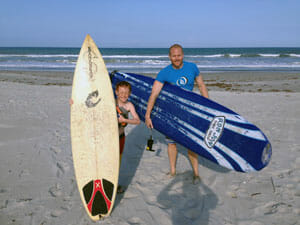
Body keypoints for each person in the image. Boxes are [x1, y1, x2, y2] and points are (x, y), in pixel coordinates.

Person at [145, 44, 209, 184]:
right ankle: (173, 170)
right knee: (171, 143)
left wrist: (208, 105)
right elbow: (154, 93)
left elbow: (201, 85)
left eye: (179, 55)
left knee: (190, 144)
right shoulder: (164, 73)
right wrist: (148, 114)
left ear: (183, 55)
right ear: (170, 57)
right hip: (171, 113)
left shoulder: (192, 67)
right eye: (174, 56)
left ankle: (196, 173)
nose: (177, 58)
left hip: (189, 111)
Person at [115, 81, 140, 193]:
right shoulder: (111, 102)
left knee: (117, 163)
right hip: (108, 139)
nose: (124, 95)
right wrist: (74, 103)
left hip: (120, 138)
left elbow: (137, 121)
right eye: (121, 92)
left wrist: (125, 120)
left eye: (126, 93)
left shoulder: (129, 105)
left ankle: (114, 184)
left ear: (129, 93)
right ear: (116, 92)